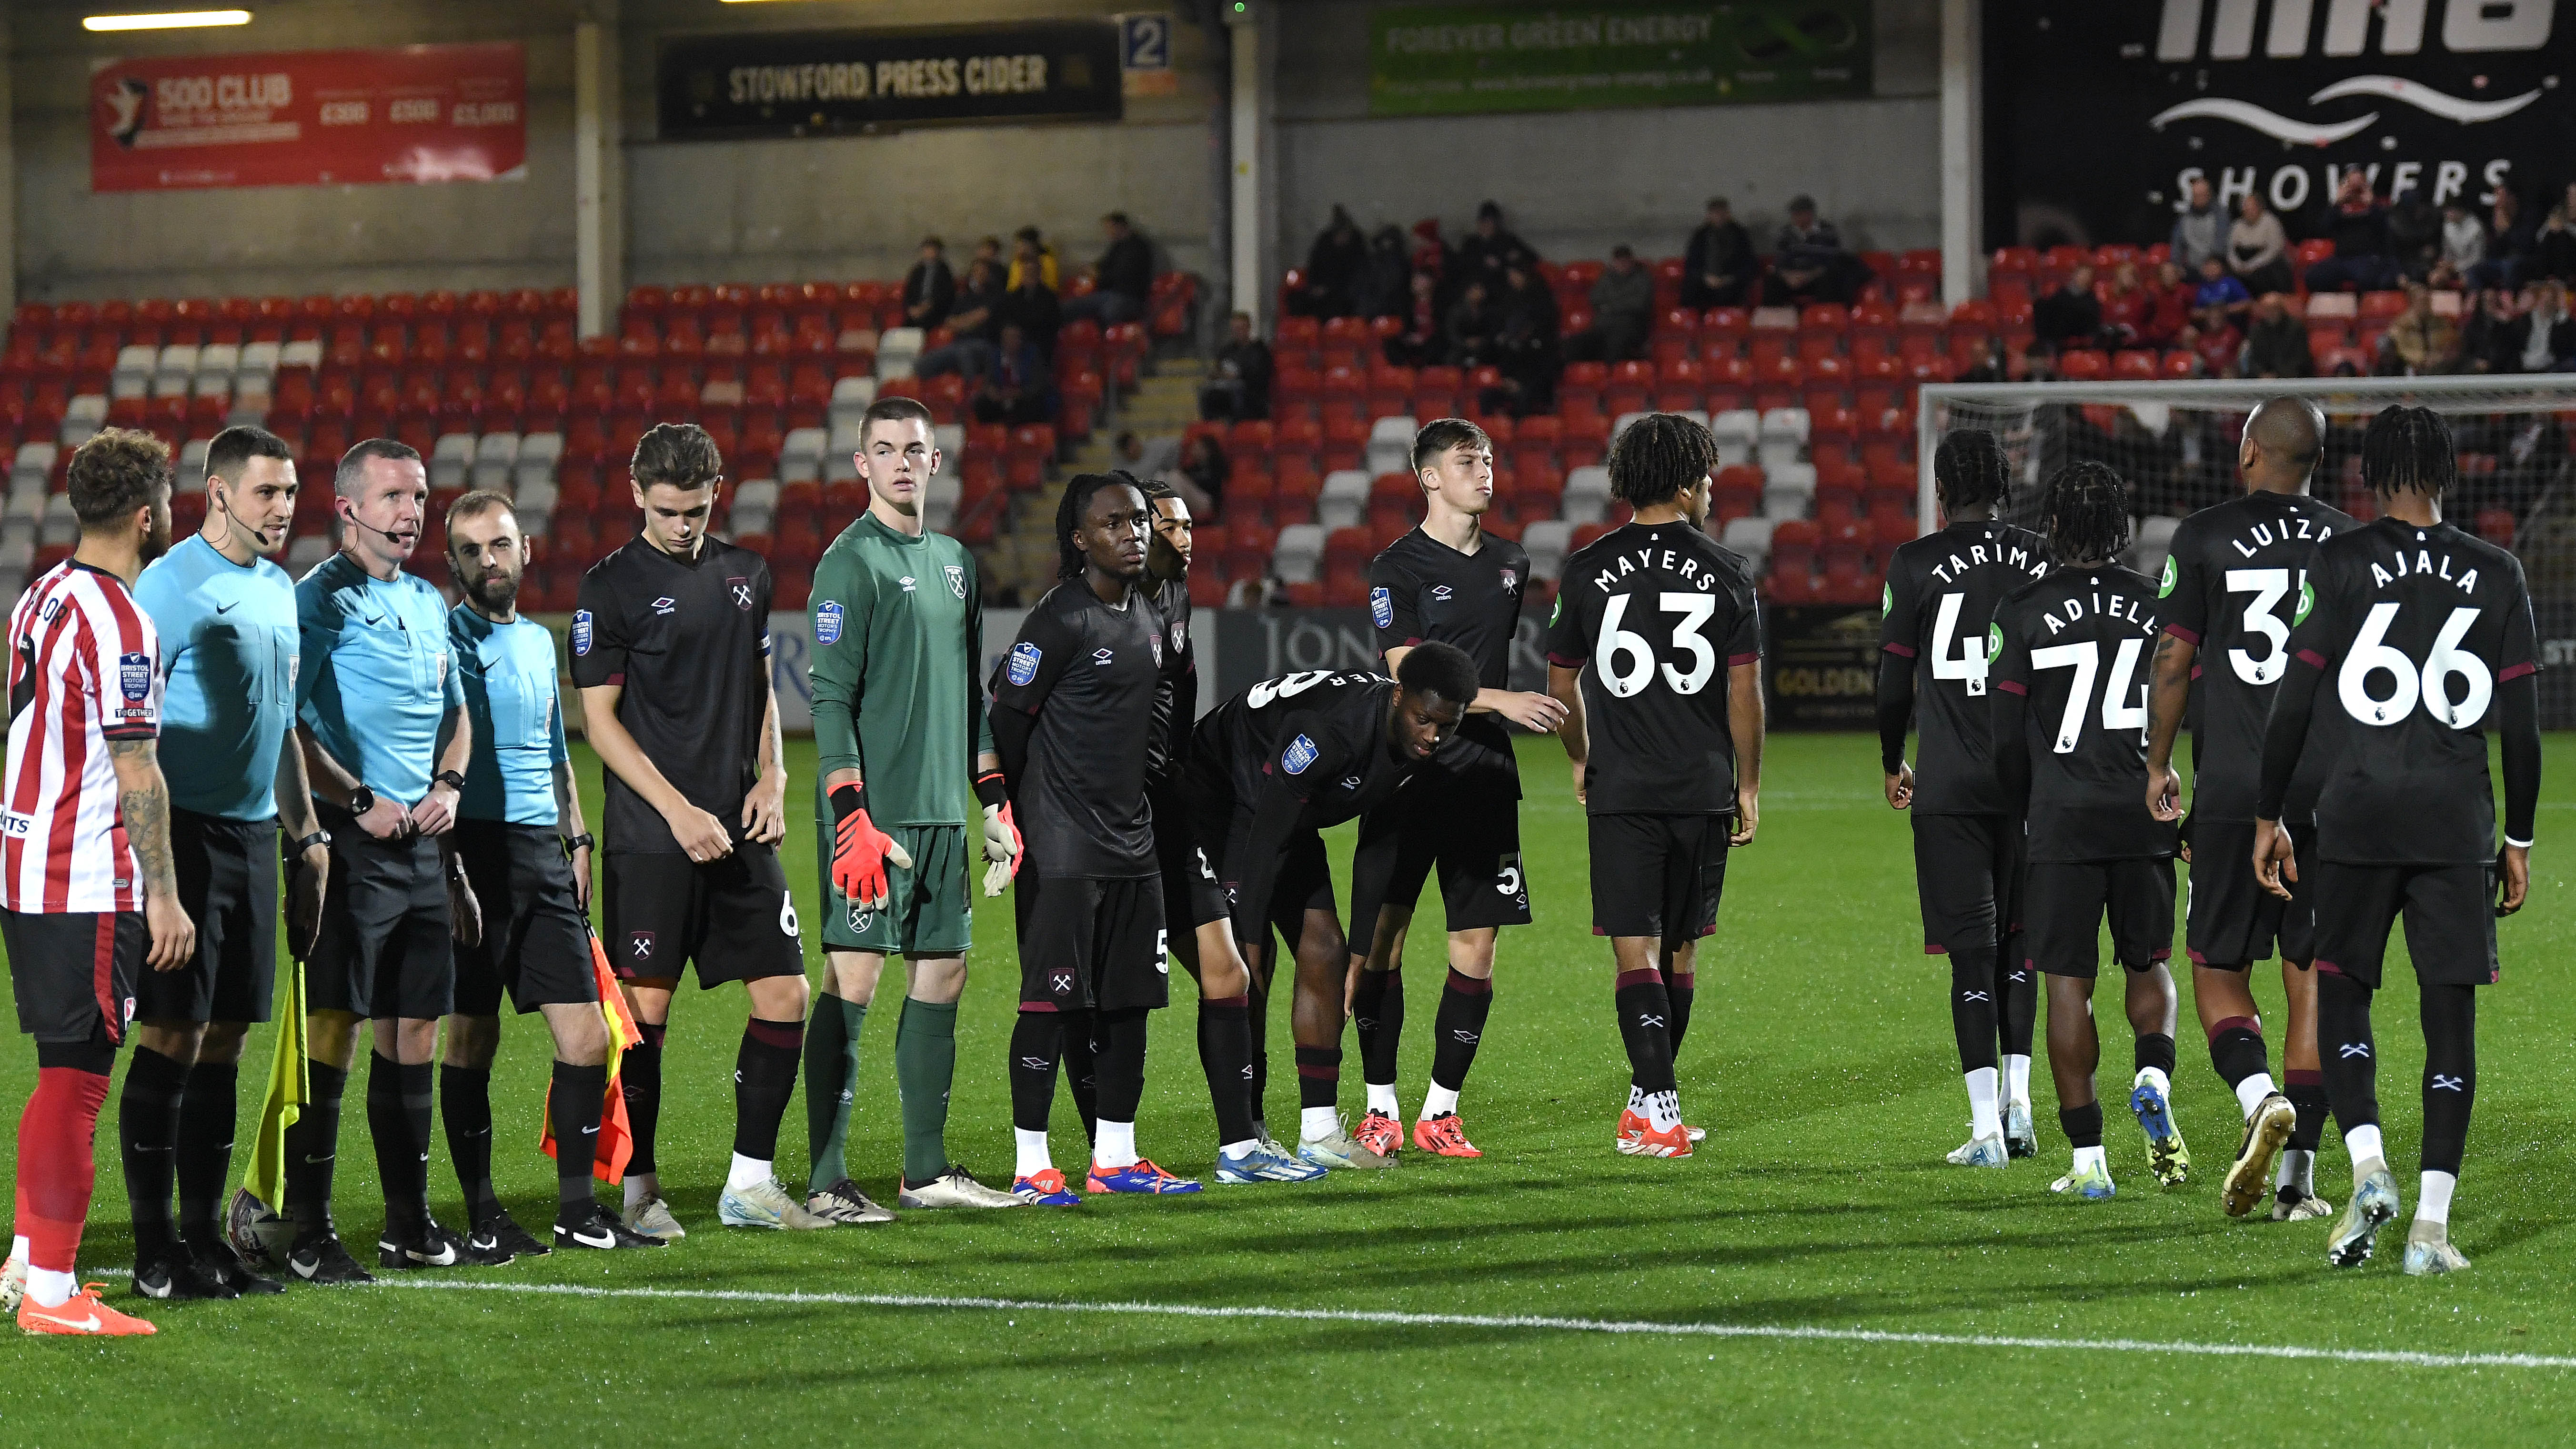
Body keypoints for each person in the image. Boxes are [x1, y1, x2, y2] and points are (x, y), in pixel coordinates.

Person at [2253, 404, 2541, 1275]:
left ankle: (2369, 1164)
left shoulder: (2336, 559)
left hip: (2358, 813)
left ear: (2370, 474)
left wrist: (2267, 816)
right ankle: (2428, 1229)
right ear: (2447, 472)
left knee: (2340, 993)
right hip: (2454, 821)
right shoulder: (2497, 571)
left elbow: (2293, 703)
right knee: (2448, 1016)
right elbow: (2522, 728)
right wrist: (2517, 838)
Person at [574, 423, 819, 1237]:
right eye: (669, 510)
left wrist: (776, 774)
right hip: (653, 834)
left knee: (787, 991)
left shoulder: (747, 573)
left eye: (697, 509)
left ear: (719, 492)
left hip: (737, 824)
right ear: (638, 494)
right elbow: (600, 724)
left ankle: (748, 1182)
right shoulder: (607, 587)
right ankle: (640, 1189)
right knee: (646, 1017)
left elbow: (759, 687)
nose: (683, 525)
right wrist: (676, 810)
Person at [803, 395, 1022, 1216]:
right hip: (873, 820)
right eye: (885, 449)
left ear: (936, 461)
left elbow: (968, 698)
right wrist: (851, 817)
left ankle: (923, 1172)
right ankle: (826, 1182)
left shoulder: (956, 563)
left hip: (940, 814)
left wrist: (994, 804)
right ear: (861, 464)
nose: (901, 461)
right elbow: (827, 700)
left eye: (915, 449)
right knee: (852, 980)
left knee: (945, 972)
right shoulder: (847, 564)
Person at [2143, 398, 2355, 1223]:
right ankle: (2297, 1185)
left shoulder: (2201, 536)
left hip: (2234, 788)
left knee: (2216, 964)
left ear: (2245, 452)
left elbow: (2172, 661)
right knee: (2311, 982)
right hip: (2328, 791)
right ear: (2315, 461)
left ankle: (2258, 1096)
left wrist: (2158, 763)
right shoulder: (2349, 542)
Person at [0, 427, 190, 1336]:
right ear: (148, 515)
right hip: (82, 875)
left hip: (25, 863)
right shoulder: (123, 621)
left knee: (55, 1073)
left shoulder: (41, 593)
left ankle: (26, 1260)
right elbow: (137, 766)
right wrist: (162, 893)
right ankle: (52, 1292)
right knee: (77, 1083)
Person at [123, 424, 318, 1302]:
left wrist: (307, 836)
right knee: (173, 1032)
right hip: (186, 833)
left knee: (229, 1037)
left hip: (254, 839)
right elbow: (129, 730)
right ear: (218, 493)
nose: (282, 508)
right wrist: (151, 868)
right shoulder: (167, 587)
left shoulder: (278, 590)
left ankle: (204, 1239)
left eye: (289, 492)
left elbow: (282, 726)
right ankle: (154, 1247)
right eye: (267, 492)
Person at [279, 438, 480, 1281]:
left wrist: (451, 786)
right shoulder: (316, 601)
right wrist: (358, 799)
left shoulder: (432, 602)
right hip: (351, 850)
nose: (412, 512)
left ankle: (407, 1222)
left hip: (423, 852)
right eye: (395, 497)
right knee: (339, 1027)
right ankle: (307, 1229)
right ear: (349, 507)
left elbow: (458, 714)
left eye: (421, 497)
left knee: (417, 1030)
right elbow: (289, 721)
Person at [442, 493, 659, 1252]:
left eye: (499, 544)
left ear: (525, 548)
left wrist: (579, 840)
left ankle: (576, 1209)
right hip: (471, 851)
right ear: (455, 563)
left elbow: (558, 750)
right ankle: (479, 1211)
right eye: (471, 550)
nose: (489, 560)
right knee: (471, 1037)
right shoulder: (442, 639)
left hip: (543, 853)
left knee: (587, 1036)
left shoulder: (539, 641)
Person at [1344, 421, 1566, 1161]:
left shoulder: (1511, 560)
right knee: (1383, 942)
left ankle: (1442, 1110)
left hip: (1484, 778)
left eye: (1491, 459)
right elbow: (1411, 669)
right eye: (1469, 461)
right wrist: (1503, 700)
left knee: (1477, 946)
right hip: (1407, 768)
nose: (1485, 471)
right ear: (1430, 477)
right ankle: (1379, 1108)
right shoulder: (1396, 566)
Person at [1545, 413, 1763, 1159]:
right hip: (1701, 785)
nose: (1712, 490)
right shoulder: (1730, 571)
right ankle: (1659, 1105)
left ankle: (1650, 1105)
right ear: (1682, 482)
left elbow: (1560, 684)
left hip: (1623, 785)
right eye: (1706, 477)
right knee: (1680, 953)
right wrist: (1750, 784)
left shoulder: (1584, 569)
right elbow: (1745, 693)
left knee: (1633, 953)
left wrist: (1581, 754)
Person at [989, 476, 1202, 1200]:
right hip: (1064, 846)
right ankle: (1030, 1164)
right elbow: (1006, 720)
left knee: (1129, 1001)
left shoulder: (1150, 610)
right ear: (1080, 540)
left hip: (1131, 842)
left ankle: (1116, 1157)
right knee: (1050, 1004)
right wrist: (1017, 811)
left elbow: (1161, 700)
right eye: (1114, 523)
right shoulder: (1060, 620)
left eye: (1140, 519)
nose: (1135, 532)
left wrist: (1146, 776)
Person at [1184, 646, 1477, 1169]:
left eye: (1446, 726)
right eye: (1424, 720)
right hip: (1222, 789)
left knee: (1327, 950)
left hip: (1288, 804)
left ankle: (1318, 1133)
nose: (1433, 736)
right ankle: (1246, 1135)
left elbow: (1379, 846)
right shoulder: (1327, 735)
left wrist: (1361, 957)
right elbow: (1264, 836)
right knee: (1250, 964)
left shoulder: (1416, 746)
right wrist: (1244, 941)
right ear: (1397, 697)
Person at [1989, 461, 2187, 1202]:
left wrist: (2024, 804)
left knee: (2067, 985)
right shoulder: (2155, 606)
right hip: (2143, 811)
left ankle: (2091, 1160)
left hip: (2063, 818)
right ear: (2123, 527)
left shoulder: (2022, 607)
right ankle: (2152, 1072)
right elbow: (2174, 706)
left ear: (2052, 526)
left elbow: (2006, 736)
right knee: (2150, 965)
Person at [1131, 476, 1321, 1183]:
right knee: (1098, 993)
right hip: (1099, 821)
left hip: (1168, 811)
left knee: (1231, 971)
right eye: (1167, 527)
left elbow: (1180, 696)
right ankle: (1087, 1155)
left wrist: (1177, 777)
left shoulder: (1175, 600)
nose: (1183, 539)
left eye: (1188, 527)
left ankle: (1241, 1144)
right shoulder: (1093, 609)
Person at [1876, 430, 2050, 1167]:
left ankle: (1985, 1129)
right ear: (2006, 488)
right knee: (2020, 948)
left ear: (1940, 492)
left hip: (1950, 784)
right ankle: (2022, 1107)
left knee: (1970, 958)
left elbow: (1893, 680)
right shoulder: (2041, 556)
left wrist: (1892, 758)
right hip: (2034, 786)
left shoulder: (1915, 562)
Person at [910, 258, 1003, 381]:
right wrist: (969, 321)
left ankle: (971, 391)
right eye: (976, 272)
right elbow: (950, 322)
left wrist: (963, 322)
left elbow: (982, 316)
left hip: (985, 344)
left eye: (983, 272)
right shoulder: (964, 297)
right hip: (959, 343)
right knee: (923, 363)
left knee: (963, 352)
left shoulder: (994, 296)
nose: (979, 275)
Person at [2304, 172, 2397, 292]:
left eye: (2358, 187)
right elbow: (2322, 228)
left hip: (2366, 258)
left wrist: (2371, 204)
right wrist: (2337, 202)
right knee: (2313, 276)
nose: (2354, 191)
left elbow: (2385, 229)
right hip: (2341, 258)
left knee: (2369, 277)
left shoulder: (2375, 210)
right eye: (2351, 185)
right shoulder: (2338, 211)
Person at [1064, 211, 1155, 326]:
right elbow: (1104, 264)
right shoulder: (1118, 246)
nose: (1107, 232)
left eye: (1109, 228)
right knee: (1068, 308)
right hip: (1109, 294)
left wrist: (1098, 275)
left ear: (1119, 226)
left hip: (1129, 297)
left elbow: (1123, 276)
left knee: (1109, 312)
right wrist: (1091, 268)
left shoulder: (1138, 248)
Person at [1568, 245, 1654, 363]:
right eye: (1619, 261)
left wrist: (1610, 306)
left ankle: (1611, 376)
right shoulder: (1606, 278)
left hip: (1629, 327)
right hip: (1602, 328)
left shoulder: (1642, 278)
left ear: (1631, 261)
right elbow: (1595, 298)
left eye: (1625, 261)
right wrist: (1623, 302)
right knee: (1574, 344)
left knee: (1615, 345)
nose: (1622, 265)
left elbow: (1639, 304)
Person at [1769, 196, 1854, 304]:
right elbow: (1780, 261)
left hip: (1817, 276)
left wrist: (1809, 275)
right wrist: (1788, 276)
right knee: (1772, 281)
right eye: (1793, 214)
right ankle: (1775, 318)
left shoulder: (1827, 231)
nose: (1795, 218)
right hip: (1792, 278)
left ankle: (1824, 316)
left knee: (1831, 279)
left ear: (1810, 214)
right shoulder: (1786, 233)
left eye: (1799, 214)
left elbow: (1833, 260)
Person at [970, 322, 1054, 426]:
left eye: (1015, 338)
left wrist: (1019, 393)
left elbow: (1039, 384)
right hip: (1001, 398)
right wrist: (991, 390)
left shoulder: (1032, 355)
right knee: (981, 403)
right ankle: (993, 435)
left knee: (1036, 404)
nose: (1012, 341)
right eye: (1008, 338)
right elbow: (988, 380)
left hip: (1023, 399)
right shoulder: (994, 356)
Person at [1199, 311, 1274, 423]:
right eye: (1234, 329)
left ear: (1248, 328)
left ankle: (1235, 426)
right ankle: (1213, 428)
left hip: (1251, 396)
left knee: (1237, 395)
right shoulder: (1226, 351)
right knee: (1208, 394)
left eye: (1240, 328)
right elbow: (1219, 371)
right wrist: (1217, 375)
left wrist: (1239, 376)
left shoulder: (1259, 350)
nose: (1237, 332)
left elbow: (1261, 376)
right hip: (1226, 392)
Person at [1682, 196, 1755, 310]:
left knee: (1729, 293)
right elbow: (1691, 264)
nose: (1719, 216)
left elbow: (1750, 265)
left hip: (1731, 281)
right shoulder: (1700, 236)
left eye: (1722, 212)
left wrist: (1729, 279)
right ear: (1709, 215)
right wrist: (1705, 277)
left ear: (1728, 214)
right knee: (1689, 288)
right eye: (1715, 213)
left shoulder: (1740, 235)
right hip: (1705, 281)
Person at [2489, 280, 2575, 373]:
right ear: (2538, 300)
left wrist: (2563, 316)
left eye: (2549, 300)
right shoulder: (2525, 321)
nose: (2545, 304)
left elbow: (2565, 347)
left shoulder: (2560, 323)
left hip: (2551, 367)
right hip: (2524, 365)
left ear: (2555, 302)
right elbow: (2513, 343)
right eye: (2543, 299)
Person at [1298, 207, 1368, 319]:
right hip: (1322, 292)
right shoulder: (1324, 245)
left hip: (1345, 296)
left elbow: (1358, 279)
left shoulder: (1357, 250)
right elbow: (1314, 268)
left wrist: (1330, 290)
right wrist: (1315, 287)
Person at [1454, 201, 1536, 295]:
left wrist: (1517, 257)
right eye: (1485, 222)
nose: (1488, 226)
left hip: (1505, 290)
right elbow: (1461, 264)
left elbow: (1532, 257)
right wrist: (1483, 262)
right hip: (1480, 288)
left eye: (1492, 222)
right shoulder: (1471, 243)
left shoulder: (1507, 241)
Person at [2382, 282, 2461, 374]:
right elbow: (2401, 351)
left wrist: (2437, 358)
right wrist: (2423, 359)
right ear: (2412, 302)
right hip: (2410, 367)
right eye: (2422, 301)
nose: (2426, 305)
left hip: (2438, 367)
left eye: (2428, 301)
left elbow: (2449, 346)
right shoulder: (2400, 325)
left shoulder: (2441, 323)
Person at [2228, 195, 2294, 297]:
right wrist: (2237, 265)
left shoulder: (2271, 222)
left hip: (2267, 265)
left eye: (2251, 208)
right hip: (2242, 265)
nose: (2248, 211)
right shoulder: (2237, 226)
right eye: (2245, 208)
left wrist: (2253, 266)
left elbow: (2274, 250)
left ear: (2260, 208)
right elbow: (2231, 251)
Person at [2034, 265, 2106, 349]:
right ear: (2074, 275)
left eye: (2087, 275)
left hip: (2082, 340)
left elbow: (2093, 325)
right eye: (2082, 274)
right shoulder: (2060, 295)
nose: (2084, 278)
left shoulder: (2092, 300)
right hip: (2059, 339)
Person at [2242, 294, 2312, 378]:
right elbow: (2252, 358)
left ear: (2281, 309)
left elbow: (2301, 358)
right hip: (2262, 380)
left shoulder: (2296, 328)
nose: (2270, 313)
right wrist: (2261, 374)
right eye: (2267, 310)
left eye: (2274, 309)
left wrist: (2279, 376)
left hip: (2291, 378)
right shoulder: (2256, 330)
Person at [2170, 176, 2224, 271]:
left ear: (2209, 195)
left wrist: (2211, 263)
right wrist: (2176, 264)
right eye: (2196, 196)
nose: (2199, 199)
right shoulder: (2184, 218)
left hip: (2214, 268)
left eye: (2202, 195)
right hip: (2191, 268)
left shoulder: (2220, 216)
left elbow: (2221, 245)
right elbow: (2177, 243)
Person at [901, 237, 956, 332]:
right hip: (917, 309)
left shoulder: (944, 271)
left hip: (935, 311)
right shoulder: (917, 271)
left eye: (932, 249)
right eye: (927, 249)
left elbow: (945, 295)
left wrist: (928, 306)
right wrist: (912, 309)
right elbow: (909, 292)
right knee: (906, 327)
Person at [1170, 432, 1228, 519]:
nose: (1194, 450)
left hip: (1208, 503)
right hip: (1194, 502)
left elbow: (1214, 486)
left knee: (1175, 476)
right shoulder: (1193, 468)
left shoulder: (1216, 466)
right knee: (1162, 477)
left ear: (1207, 449)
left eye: (1198, 447)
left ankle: (1175, 515)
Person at [2193, 254, 2252, 321]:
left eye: (2214, 267)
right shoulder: (2201, 286)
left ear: (2222, 268)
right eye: (2208, 267)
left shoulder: (2231, 282)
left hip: (2231, 322)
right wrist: (2211, 313)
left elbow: (2247, 303)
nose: (2210, 270)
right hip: (2209, 324)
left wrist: (2224, 311)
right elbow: (2196, 312)